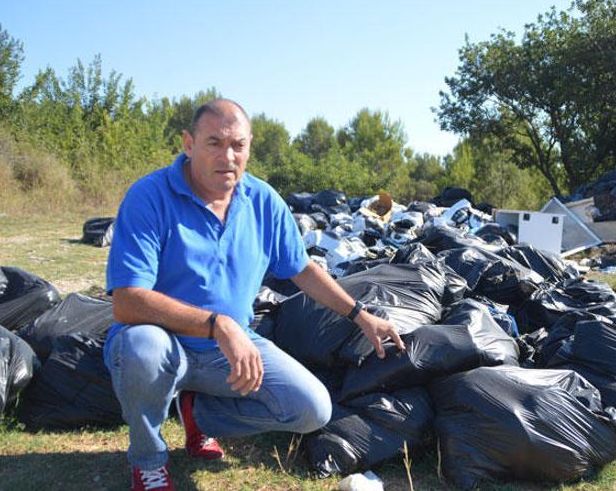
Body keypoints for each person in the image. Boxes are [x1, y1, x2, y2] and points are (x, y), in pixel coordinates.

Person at [104, 98, 404, 491]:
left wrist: (360, 315)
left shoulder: (262, 201)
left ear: (249, 148)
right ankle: (148, 461)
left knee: (312, 409)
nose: (227, 156)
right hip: (164, 344)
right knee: (141, 347)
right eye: (214, 143)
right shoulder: (150, 196)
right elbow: (127, 300)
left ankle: (200, 415)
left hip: (228, 351)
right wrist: (217, 325)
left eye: (238, 145)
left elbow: (302, 270)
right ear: (188, 144)